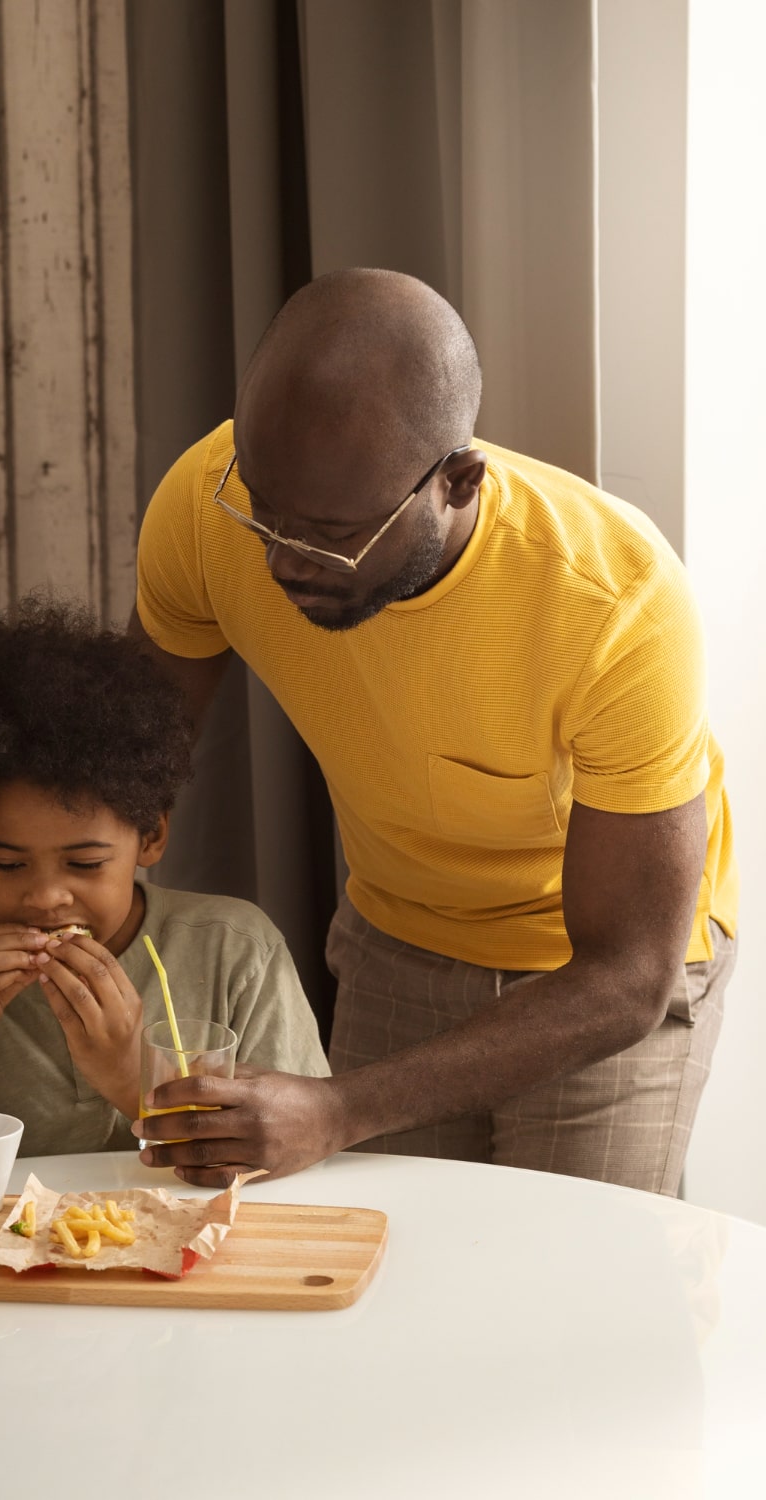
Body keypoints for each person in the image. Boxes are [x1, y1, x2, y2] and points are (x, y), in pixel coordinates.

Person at [127, 266, 738, 1194]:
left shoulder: (617, 603)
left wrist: (337, 1109)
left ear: (456, 481)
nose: (286, 561)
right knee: (390, 1297)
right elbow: (108, 772)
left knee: (582, 1307)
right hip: (396, 938)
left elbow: (627, 974)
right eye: (264, 511)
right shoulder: (207, 509)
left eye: (333, 533)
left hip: (592, 976)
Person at [0, 598, 329, 1157]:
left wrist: (131, 1080)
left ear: (150, 836)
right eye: (6, 864)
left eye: (85, 864)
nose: (46, 897)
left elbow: (299, 1168)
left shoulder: (237, 953)